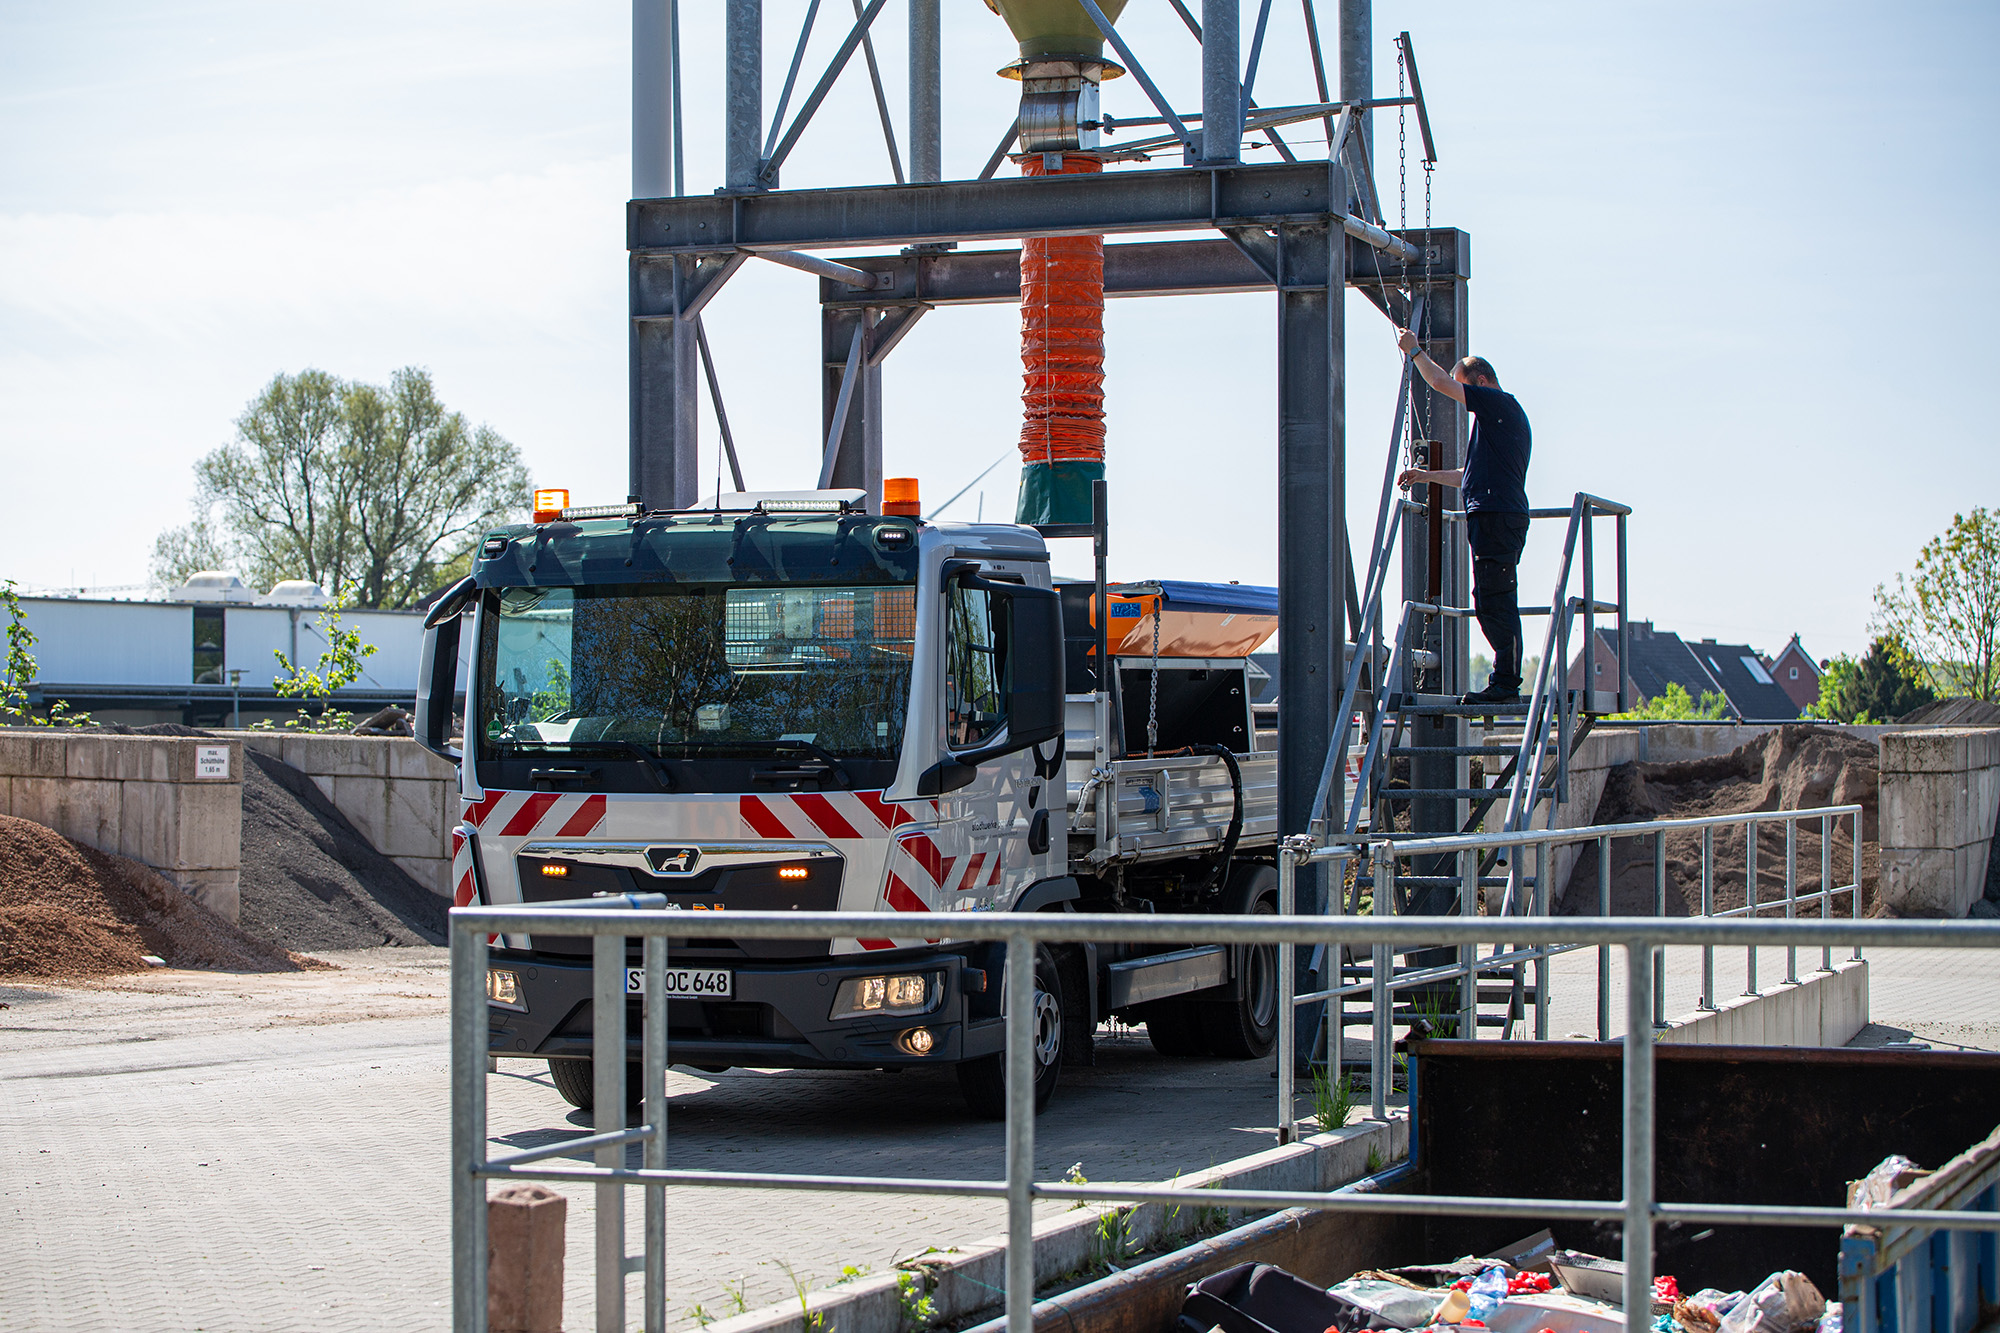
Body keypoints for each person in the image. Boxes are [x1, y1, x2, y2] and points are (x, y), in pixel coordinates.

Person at [1393, 329, 1533, 705]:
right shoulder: (1494, 423)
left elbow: (1440, 383)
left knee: (1496, 599)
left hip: (1497, 516)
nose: (1462, 397)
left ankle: (1506, 682)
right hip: (1494, 515)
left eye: (1465, 388)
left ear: (1481, 382)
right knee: (1489, 598)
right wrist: (1425, 476)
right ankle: (1505, 679)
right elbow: (1467, 476)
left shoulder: (1498, 403)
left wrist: (1415, 351)